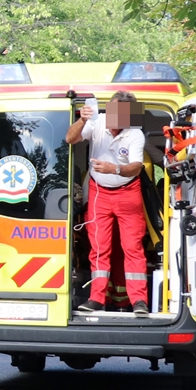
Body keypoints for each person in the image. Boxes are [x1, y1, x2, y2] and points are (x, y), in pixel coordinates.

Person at [66, 90, 150, 316]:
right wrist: (82, 120)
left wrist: (115, 169)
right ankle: (96, 299)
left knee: (132, 248)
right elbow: (70, 139)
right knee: (99, 248)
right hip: (98, 193)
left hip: (128, 192)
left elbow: (136, 168)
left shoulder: (135, 134)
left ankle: (139, 301)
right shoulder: (97, 121)